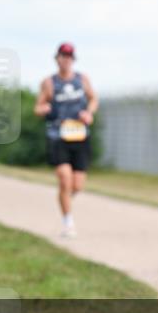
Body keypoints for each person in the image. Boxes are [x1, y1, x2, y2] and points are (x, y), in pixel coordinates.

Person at [34, 43, 98, 238]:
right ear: (57, 58)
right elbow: (38, 107)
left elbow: (93, 99)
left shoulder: (82, 79)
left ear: (73, 59)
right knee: (64, 179)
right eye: (63, 56)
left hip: (79, 136)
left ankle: (64, 199)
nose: (66, 59)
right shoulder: (49, 83)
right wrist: (43, 109)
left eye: (69, 56)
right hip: (58, 135)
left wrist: (89, 112)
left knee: (76, 186)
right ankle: (68, 222)